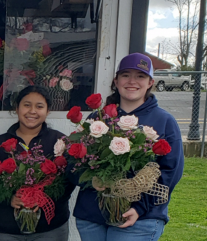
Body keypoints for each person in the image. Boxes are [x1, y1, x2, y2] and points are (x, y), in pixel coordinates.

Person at [73, 53, 184, 241]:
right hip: (92, 217)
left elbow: (170, 172)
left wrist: (140, 207)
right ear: (116, 81)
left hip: (139, 219)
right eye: (126, 75)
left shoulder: (164, 121)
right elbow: (73, 161)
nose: (132, 81)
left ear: (150, 82)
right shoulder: (97, 119)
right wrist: (90, 181)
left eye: (140, 76)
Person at [0, 85, 74, 241]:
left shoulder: (59, 142)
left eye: (39, 106)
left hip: (49, 229)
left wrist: (42, 198)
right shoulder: (0, 143)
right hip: (6, 229)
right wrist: (10, 198)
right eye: (27, 105)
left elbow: (69, 181)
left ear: (48, 111)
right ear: (17, 108)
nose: (32, 111)